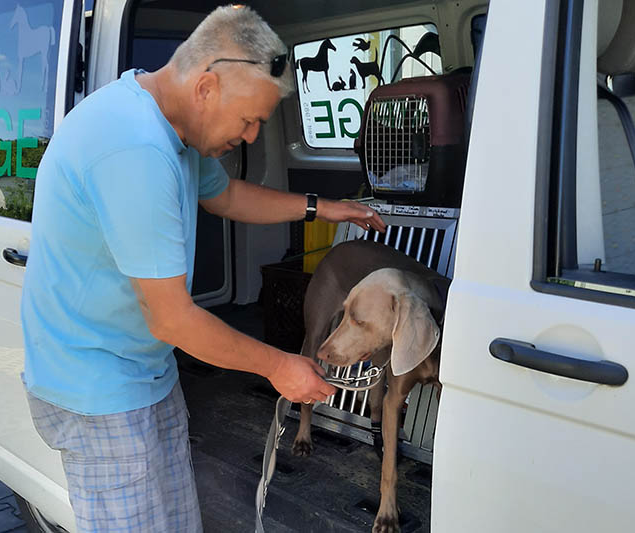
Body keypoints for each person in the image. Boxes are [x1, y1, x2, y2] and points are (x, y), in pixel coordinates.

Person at [21, 5, 386, 532]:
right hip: (96, 386)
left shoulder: (170, 125)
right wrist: (278, 367)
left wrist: (325, 208)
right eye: (250, 120)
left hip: (143, 368)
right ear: (207, 87)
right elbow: (172, 320)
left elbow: (229, 195)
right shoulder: (135, 147)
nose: (255, 136)